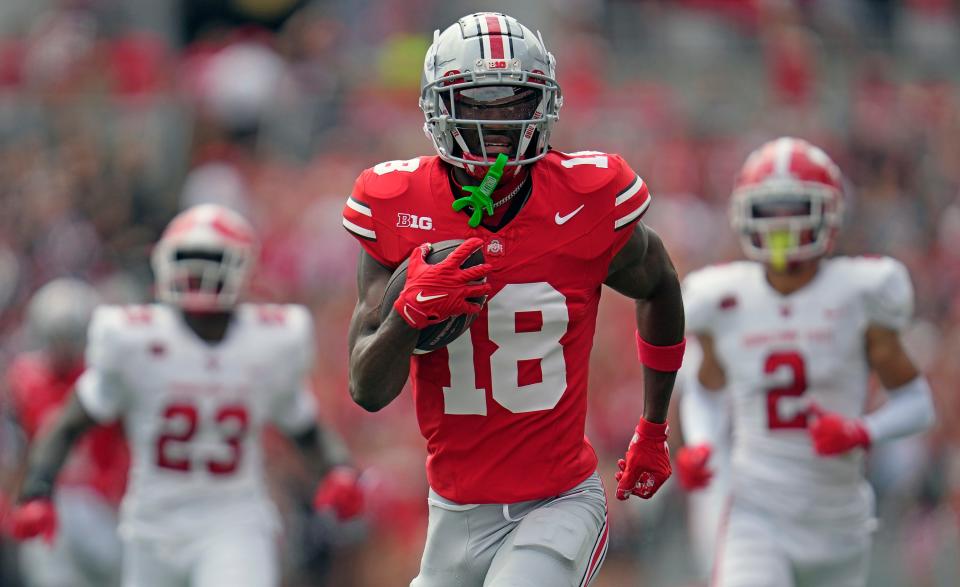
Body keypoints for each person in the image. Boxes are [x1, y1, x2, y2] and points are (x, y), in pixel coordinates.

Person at [342, 12, 685, 587]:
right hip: (451, 515)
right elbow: (366, 388)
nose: (496, 122)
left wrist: (652, 428)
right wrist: (410, 314)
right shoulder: (395, 205)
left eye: (513, 102)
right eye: (475, 104)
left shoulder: (587, 197)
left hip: (557, 504)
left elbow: (660, 284)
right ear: (438, 106)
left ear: (543, 104)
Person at [9, 204, 364, 587]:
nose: (198, 271)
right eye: (188, 259)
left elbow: (303, 425)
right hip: (150, 526)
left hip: (234, 522)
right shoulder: (133, 338)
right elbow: (69, 422)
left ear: (243, 266)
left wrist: (339, 469)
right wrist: (37, 491)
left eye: (211, 258)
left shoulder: (272, 339)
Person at [677, 137, 936, 587]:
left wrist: (863, 430)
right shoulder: (724, 298)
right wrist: (702, 442)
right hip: (754, 512)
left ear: (829, 212)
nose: (783, 224)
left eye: (795, 207)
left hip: (837, 521)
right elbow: (704, 388)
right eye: (770, 210)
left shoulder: (860, 294)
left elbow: (918, 403)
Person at [5, 279, 128, 587]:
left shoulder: (102, 377)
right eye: (56, 336)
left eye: (69, 336)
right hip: (50, 500)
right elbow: (20, 445)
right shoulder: (24, 377)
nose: (63, 345)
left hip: (101, 501)